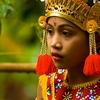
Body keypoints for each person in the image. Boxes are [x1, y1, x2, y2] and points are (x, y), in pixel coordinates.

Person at [35, 0, 100, 100]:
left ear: (96, 39)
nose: (54, 43)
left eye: (65, 33)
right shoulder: (48, 84)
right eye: (50, 31)